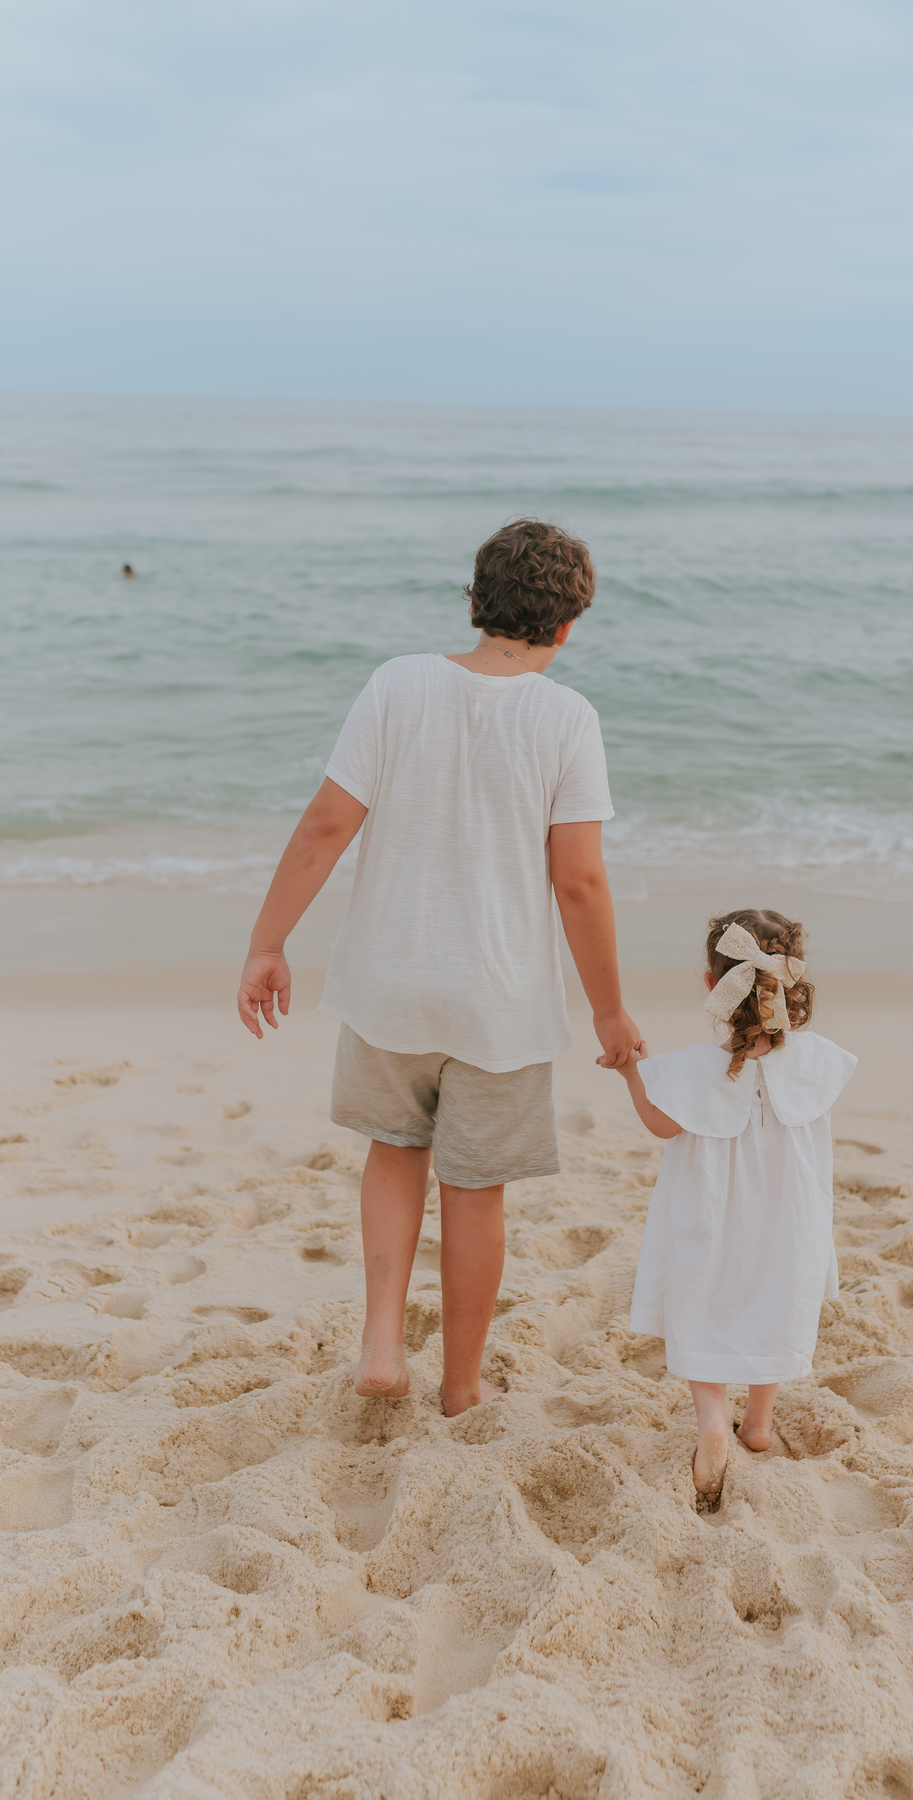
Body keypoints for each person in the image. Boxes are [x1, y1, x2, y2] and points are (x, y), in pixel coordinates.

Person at [237, 519, 644, 1417]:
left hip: (391, 981)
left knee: (394, 1150)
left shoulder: (398, 684)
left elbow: (326, 825)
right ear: (568, 625)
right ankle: (460, 1386)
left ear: (475, 601)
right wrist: (609, 1010)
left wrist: (269, 943)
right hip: (498, 1000)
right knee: (475, 1187)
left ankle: (383, 1344)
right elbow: (578, 881)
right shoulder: (566, 718)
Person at [603, 909, 856, 1501]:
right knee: (777, 1301)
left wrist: (633, 1071)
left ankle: (713, 1420)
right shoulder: (816, 1061)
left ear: (712, 983)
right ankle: (758, 1425)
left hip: (711, 1220)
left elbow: (660, 1125)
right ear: (791, 982)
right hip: (789, 1223)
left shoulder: (695, 1069)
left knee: (703, 1302)